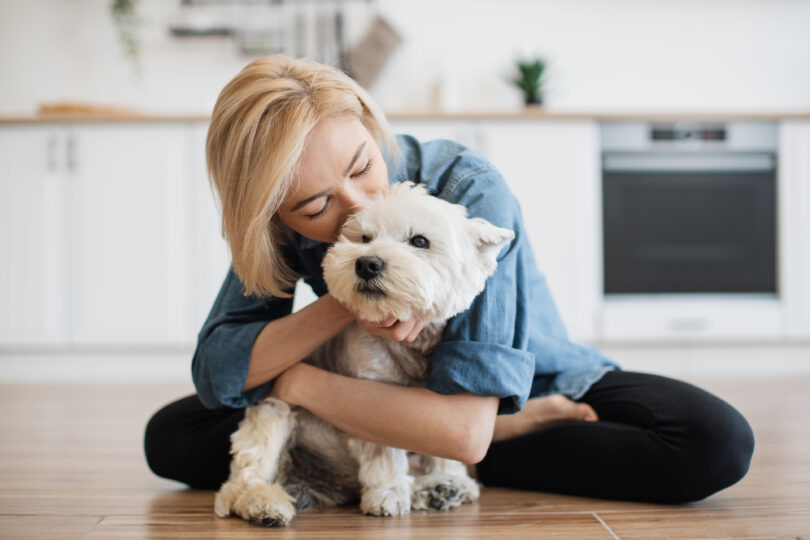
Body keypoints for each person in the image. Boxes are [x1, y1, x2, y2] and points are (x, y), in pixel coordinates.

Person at [144, 55, 754, 504]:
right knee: (172, 436)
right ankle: (463, 455)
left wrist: (295, 381)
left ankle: (497, 432)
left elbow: (461, 428)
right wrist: (351, 297)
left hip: (514, 383)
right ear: (274, 214)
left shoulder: (469, 186)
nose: (358, 208)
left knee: (713, 441)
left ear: (367, 121)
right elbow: (217, 370)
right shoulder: (276, 222)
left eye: (362, 165)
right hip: (367, 384)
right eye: (316, 208)